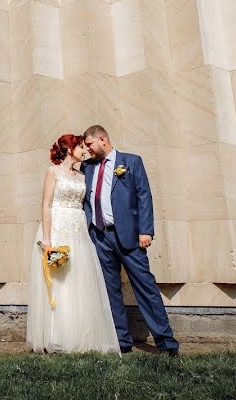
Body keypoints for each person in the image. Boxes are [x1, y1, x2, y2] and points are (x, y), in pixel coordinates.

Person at [80, 125, 180, 356]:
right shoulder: (88, 168)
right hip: (99, 236)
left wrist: (146, 231)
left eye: (89, 145)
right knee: (110, 289)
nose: (88, 150)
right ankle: (121, 341)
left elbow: (144, 195)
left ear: (102, 139)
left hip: (129, 237)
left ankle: (166, 342)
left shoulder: (131, 161)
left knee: (145, 287)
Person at [26, 134, 119, 353]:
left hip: (78, 230)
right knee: (59, 281)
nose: (84, 151)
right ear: (69, 150)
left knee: (79, 279)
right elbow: (46, 205)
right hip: (58, 228)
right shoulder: (53, 172)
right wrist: (47, 238)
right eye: (80, 147)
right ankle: (58, 336)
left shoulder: (81, 175)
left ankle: (81, 336)